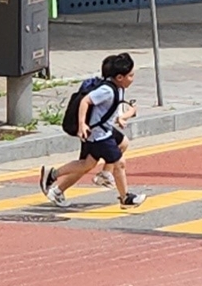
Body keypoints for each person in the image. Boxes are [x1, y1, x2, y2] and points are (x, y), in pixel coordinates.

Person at [40, 52, 145, 208]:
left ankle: (55, 175)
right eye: (130, 75)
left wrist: (126, 115)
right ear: (119, 77)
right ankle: (125, 198)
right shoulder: (107, 90)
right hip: (98, 134)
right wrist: (82, 124)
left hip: (104, 130)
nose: (133, 78)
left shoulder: (119, 88)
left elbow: (115, 112)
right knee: (119, 163)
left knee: (97, 158)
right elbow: (85, 101)